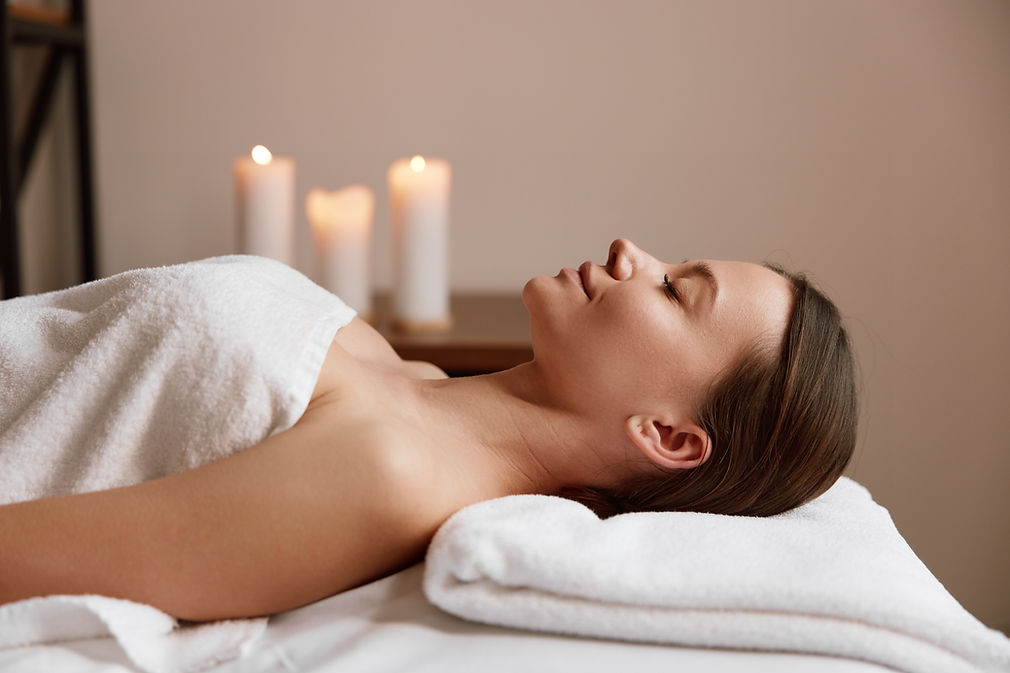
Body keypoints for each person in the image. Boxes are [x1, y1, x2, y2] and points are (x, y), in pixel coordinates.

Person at [0, 238, 856, 622]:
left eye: (674, 289)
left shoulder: (389, 475)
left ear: (667, 437)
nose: (634, 250)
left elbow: (31, 555)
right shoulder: (407, 381)